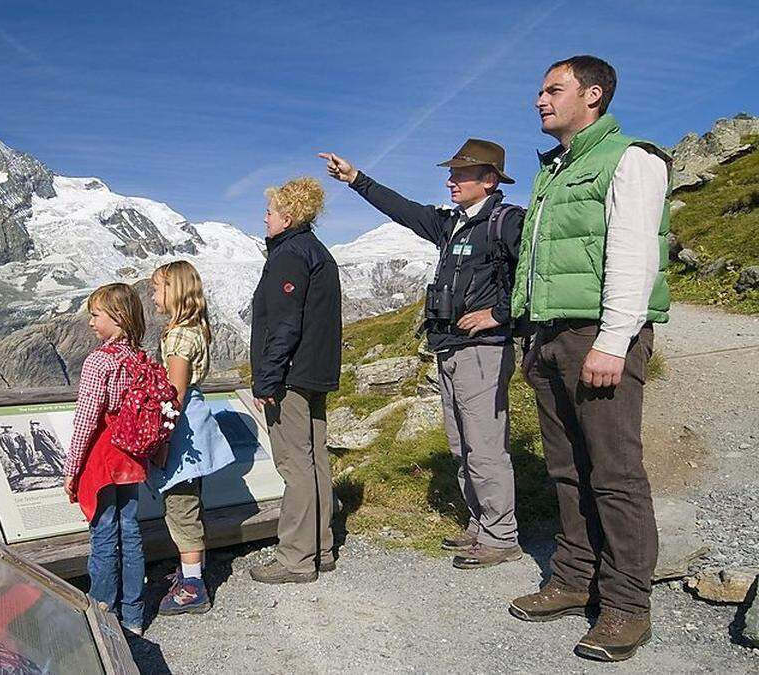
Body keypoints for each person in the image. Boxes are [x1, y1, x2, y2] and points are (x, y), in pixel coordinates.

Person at [506, 55, 671, 663]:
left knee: (615, 472)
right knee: (567, 468)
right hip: (551, 338)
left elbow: (634, 252)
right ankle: (575, 578)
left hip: (597, 337)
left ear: (593, 94)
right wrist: (533, 337)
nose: (540, 100)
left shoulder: (631, 158)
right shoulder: (554, 171)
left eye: (553, 89)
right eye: (540, 90)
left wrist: (614, 337)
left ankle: (627, 604)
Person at [319, 140, 526, 569]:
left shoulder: (506, 222)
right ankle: (481, 524)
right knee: (461, 443)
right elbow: (403, 209)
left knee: (485, 445)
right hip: (450, 347)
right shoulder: (451, 225)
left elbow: (534, 275)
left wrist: (498, 314)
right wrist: (357, 179)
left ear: (488, 180)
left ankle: (502, 535)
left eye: (461, 174)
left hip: (484, 350)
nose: (451, 180)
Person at [248, 177, 342, 584]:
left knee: (294, 464)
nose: (264, 218)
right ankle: (320, 548)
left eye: (269, 212)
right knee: (315, 459)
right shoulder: (317, 251)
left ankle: (296, 558)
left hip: (290, 375)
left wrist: (268, 379)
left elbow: (284, 324)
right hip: (315, 373)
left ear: (287, 216)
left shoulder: (289, 255)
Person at [62, 283, 150, 636]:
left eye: (95, 315)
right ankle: (134, 613)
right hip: (131, 456)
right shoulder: (140, 358)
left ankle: (103, 612)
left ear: (118, 318)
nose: (90, 323)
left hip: (102, 456)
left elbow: (86, 419)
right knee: (130, 532)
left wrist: (72, 468)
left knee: (102, 534)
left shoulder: (99, 361)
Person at [148, 260, 236, 614]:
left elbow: (175, 393)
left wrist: (162, 439)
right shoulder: (194, 329)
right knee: (189, 502)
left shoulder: (179, 336)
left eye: (156, 288)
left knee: (180, 507)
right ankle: (190, 570)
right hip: (195, 426)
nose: (152, 295)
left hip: (181, 432)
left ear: (174, 290)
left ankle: (193, 587)